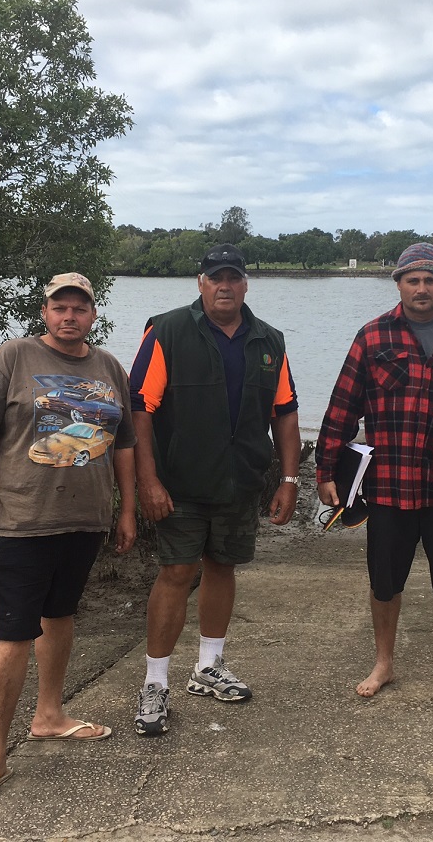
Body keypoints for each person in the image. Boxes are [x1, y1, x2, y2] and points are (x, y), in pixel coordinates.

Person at [0, 272, 137, 809]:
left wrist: (126, 511)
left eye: (80, 308)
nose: (70, 316)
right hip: (20, 521)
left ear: (93, 315)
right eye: (61, 307)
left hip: (83, 520)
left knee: (60, 616)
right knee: (12, 632)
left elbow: (123, 445)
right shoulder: (13, 357)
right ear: (45, 311)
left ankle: (50, 715)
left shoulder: (108, 368)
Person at [315, 242, 433, 699]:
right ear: (399, 284)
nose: (421, 288)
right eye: (412, 280)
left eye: (430, 280)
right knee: (384, 581)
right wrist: (326, 470)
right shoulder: (373, 336)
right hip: (389, 483)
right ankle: (384, 663)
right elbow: (342, 407)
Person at [128, 243, 300, 736]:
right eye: (214, 277)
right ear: (200, 283)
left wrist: (287, 479)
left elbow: (285, 412)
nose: (224, 285)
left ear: (246, 284)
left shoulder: (269, 340)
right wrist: (148, 480)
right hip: (180, 481)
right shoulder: (167, 330)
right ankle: (155, 682)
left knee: (223, 567)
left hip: (240, 480)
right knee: (177, 572)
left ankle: (208, 666)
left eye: (233, 277)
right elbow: (141, 407)